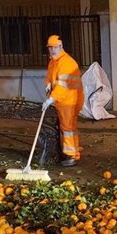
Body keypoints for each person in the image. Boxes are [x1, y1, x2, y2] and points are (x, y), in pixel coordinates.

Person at [43, 35, 84, 167]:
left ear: (61, 47)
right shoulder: (54, 61)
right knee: (66, 128)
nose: (52, 50)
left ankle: (72, 155)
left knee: (68, 129)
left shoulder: (66, 63)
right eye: (50, 47)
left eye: (55, 47)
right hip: (63, 101)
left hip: (69, 101)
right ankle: (69, 151)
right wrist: (48, 83)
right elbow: (50, 76)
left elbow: (62, 85)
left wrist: (50, 99)